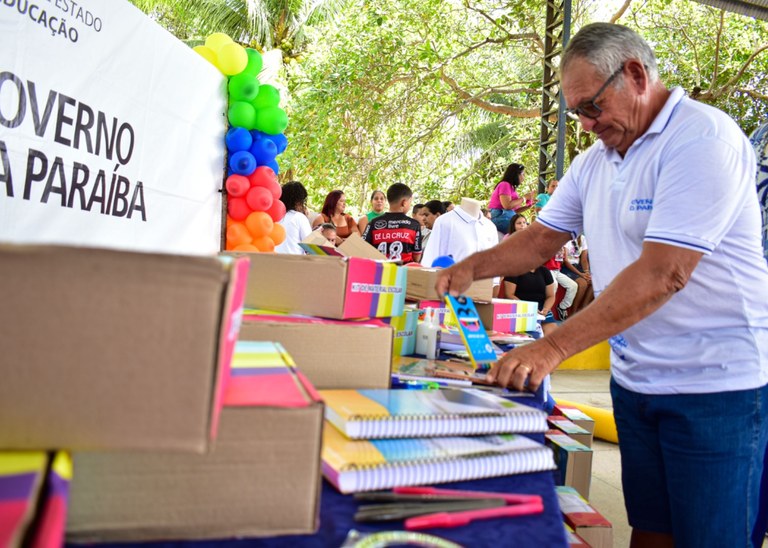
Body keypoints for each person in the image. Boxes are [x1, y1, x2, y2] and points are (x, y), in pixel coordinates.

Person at [435, 23, 768, 548]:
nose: (587, 125)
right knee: (651, 529)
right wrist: (469, 268)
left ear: (635, 74)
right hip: (637, 383)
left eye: (592, 107)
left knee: (712, 536)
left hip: (714, 387)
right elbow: (541, 239)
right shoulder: (596, 161)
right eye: (578, 114)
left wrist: (553, 346)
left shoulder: (703, 138)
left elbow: (665, 273)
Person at [502, 214, 559, 336]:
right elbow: (509, 295)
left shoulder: (544, 271)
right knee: (533, 337)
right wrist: (529, 309)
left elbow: (550, 296)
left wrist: (545, 310)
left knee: (553, 336)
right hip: (522, 310)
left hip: (542, 311)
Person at [421, 197, 498, 269]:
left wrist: (495, 282)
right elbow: (430, 260)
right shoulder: (445, 222)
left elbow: (494, 263)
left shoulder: (490, 227)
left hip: (484, 282)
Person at [362, 183, 422, 263]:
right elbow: (417, 257)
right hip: (404, 273)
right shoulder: (414, 225)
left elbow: (363, 247)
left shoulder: (373, 223)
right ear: (404, 202)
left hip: (380, 272)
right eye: (410, 202)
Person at [487, 163, 537, 233]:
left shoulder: (510, 187)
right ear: (516, 175)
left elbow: (514, 211)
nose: (524, 177)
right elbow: (507, 206)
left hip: (504, 216)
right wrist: (524, 198)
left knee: (529, 229)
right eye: (523, 174)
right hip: (499, 216)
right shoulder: (505, 184)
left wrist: (528, 206)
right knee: (528, 231)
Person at [275, 181, 312, 254]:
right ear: (298, 201)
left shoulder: (273, 216)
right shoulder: (299, 217)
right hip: (295, 262)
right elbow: (311, 247)